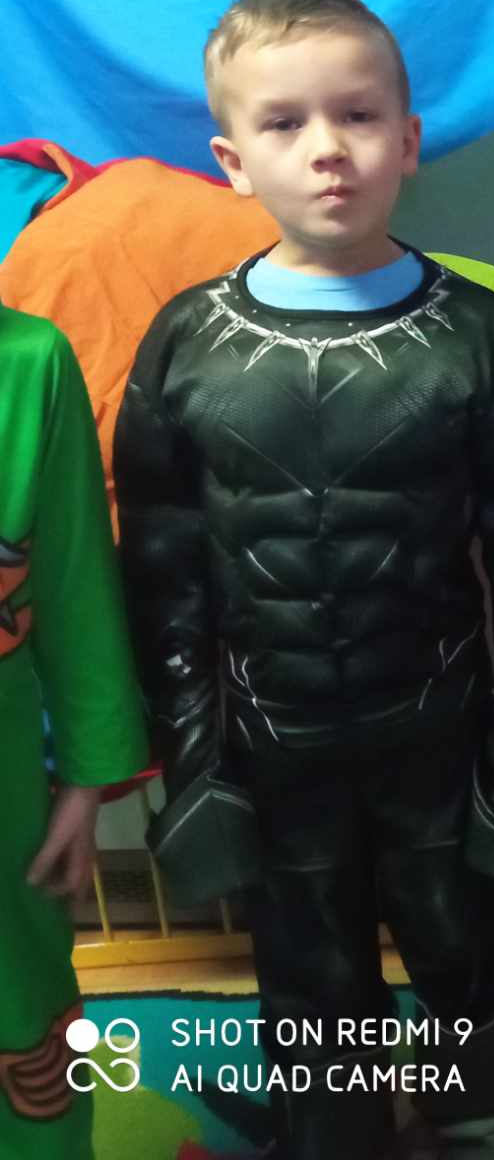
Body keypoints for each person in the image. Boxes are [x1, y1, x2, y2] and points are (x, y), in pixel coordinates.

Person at [116, 0, 494, 1160]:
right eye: (284, 123)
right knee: (311, 978)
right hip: (271, 749)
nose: (327, 149)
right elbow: (162, 562)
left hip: (439, 732)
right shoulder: (186, 342)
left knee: (464, 955)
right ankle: (336, 1130)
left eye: (358, 116)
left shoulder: (478, 335)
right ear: (232, 160)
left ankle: (486, 1125)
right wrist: (190, 757)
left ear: (407, 140)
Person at [0, 305, 150, 1160]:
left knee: (22, 1009)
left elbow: (75, 587)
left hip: (4, 782)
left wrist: (87, 785)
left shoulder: (31, 360)